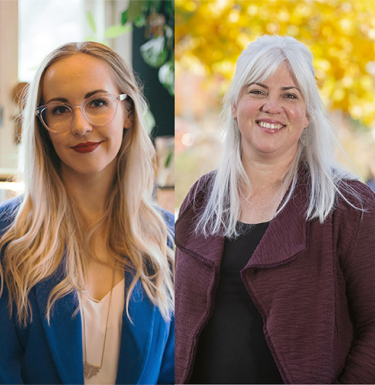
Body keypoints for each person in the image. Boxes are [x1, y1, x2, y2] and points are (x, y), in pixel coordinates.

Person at [175, 35, 375, 384]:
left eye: (290, 95)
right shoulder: (201, 198)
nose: (272, 106)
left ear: (308, 115)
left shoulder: (348, 205)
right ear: (235, 105)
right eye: (257, 91)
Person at [0, 42, 174, 385]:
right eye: (60, 109)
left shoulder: (170, 241)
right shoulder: (7, 236)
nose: (80, 125)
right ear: (43, 125)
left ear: (127, 113)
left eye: (97, 103)